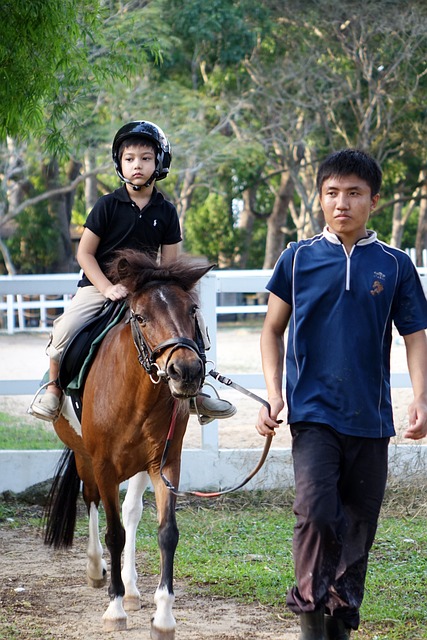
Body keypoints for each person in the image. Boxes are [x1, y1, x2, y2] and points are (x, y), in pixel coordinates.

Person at [256, 148, 427, 640]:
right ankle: (310, 622)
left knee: (357, 527)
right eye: (332, 193)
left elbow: (415, 336)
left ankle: (340, 626)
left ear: (373, 200)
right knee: (314, 515)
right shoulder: (298, 258)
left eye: (354, 193)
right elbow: (272, 330)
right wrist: (274, 395)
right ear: (320, 199)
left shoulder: (394, 265)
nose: (342, 203)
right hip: (313, 415)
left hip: (371, 420)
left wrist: (421, 397)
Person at [29, 120, 236, 424]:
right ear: (120, 164)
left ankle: (197, 391)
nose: (137, 165)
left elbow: (168, 266)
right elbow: (84, 254)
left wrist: (164, 293)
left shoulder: (166, 211)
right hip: (99, 286)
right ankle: (53, 390)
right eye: (129, 159)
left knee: (195, 324)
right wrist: (106, 288)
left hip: (146, 288)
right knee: (65, 328)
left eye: (145, 158)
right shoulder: (107, 205)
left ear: (159, 163)